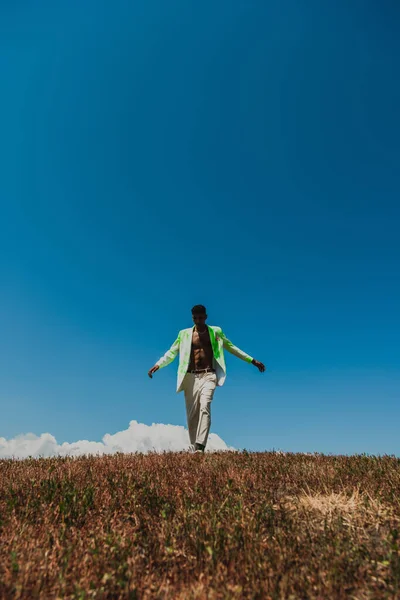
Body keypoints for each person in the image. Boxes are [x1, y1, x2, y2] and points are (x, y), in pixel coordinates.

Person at [148, 305, 266, 453]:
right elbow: (172, 352)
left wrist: (252, 361)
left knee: (205, 406)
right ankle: (193, 447)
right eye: (195, 318)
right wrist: (158, 364)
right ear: (192, 318)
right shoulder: (183, 334)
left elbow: (231, 347)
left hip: (209, 375)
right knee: (192, 415)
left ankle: (200, 446)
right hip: (190, 376)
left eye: (200, 318)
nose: (198, 321)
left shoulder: (215, 332)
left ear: (206, 317)